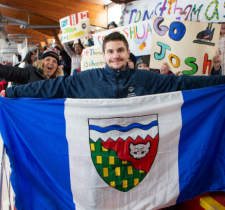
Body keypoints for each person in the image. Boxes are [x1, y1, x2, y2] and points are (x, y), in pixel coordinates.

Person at [3, 32, 224, 99]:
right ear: (104, 55)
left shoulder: (146, 78)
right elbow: (50, 88)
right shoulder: (87, 79)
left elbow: (183, 82)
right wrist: (11, 93)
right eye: (110, 51)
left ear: (128, 53)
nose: (116, 56)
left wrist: (219, 79)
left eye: (120, 50)